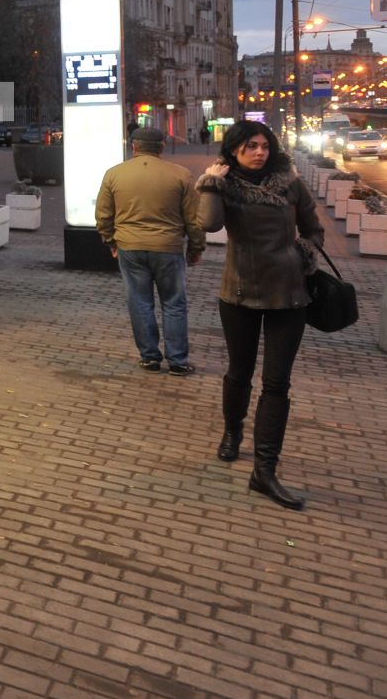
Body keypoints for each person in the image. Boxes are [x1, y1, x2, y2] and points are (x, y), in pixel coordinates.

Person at [195, 120, 326, 510]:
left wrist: (302, 252)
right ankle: (232, 434)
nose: (259, 152)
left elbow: (314, 228)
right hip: (240, 293)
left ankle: (265, 471)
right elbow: (209, 223)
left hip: (289, 294)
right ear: (234, 150)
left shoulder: (290, 184)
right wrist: (210, 183)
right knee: (239, 373)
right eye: (250, 146)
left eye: (265, 146)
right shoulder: (225, 185)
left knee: (276, 384)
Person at [96, 125, 205, 374]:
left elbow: (103, 215)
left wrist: (110, 241)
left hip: (130, 247)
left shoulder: (114, 174)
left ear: (133, 147)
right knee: (174, 303)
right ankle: (178, 361)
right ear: (162, 147)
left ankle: (149, 357)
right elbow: (194, 219)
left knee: (139, 302)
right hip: (169, 247)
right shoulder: (181, 175)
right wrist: (196, 248)